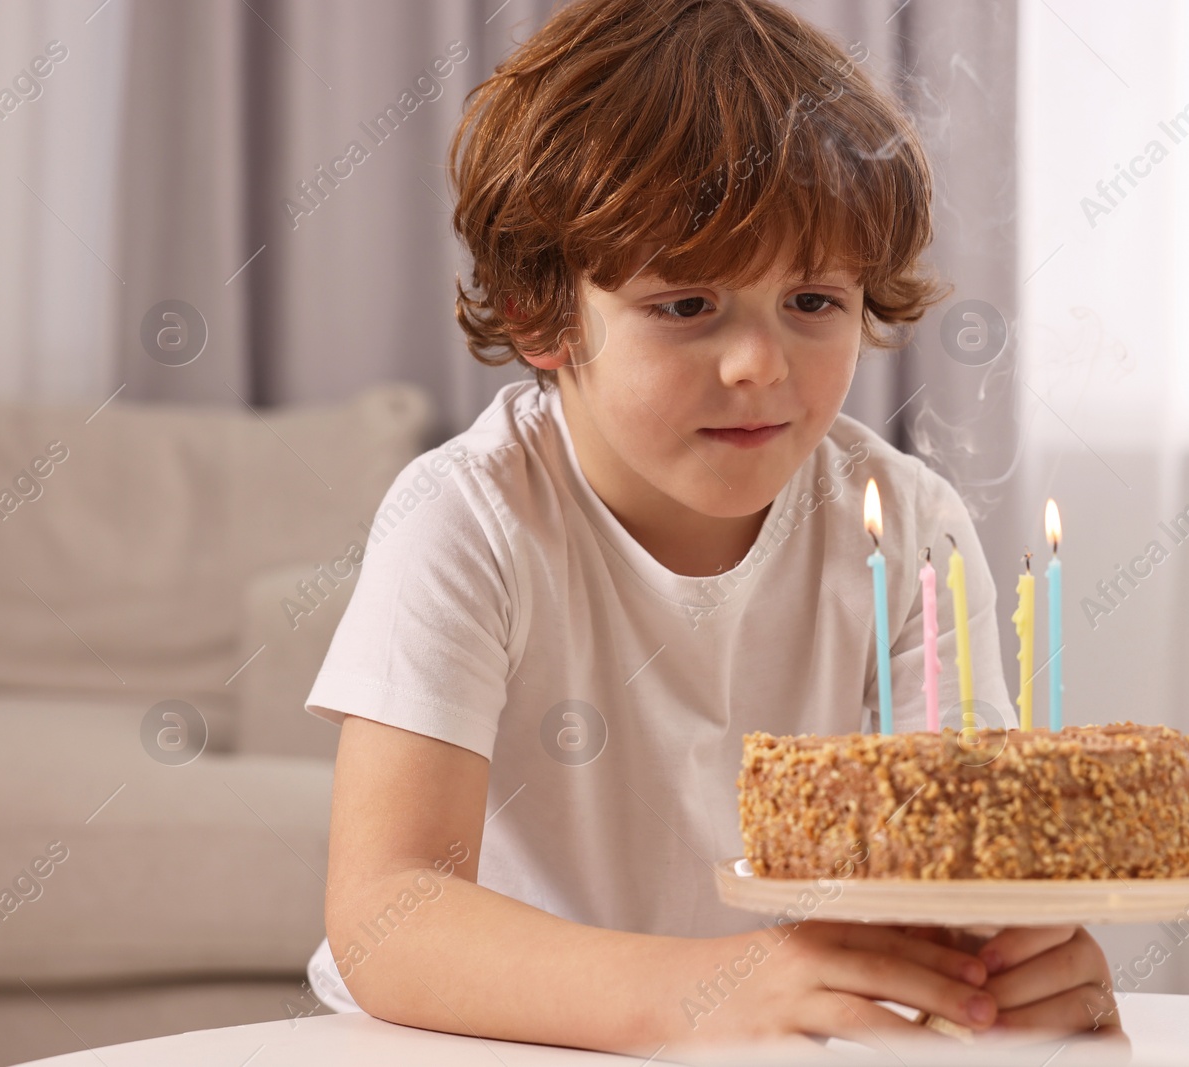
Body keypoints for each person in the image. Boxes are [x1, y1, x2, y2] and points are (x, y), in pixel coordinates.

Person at [301, 0, 1119, 1052]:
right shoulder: (467, 518)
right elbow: (387, 914)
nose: (758, 365)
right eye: (688, 306)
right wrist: (706, 989)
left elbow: (958, 860)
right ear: (544, 312)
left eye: (813, 301)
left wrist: (1013, 967)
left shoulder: (906, 522)